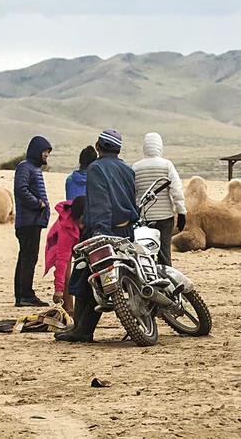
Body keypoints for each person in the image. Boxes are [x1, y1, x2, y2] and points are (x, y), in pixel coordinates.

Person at [56, 129, 139, 343]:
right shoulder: (128, 170)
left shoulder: (96, 168)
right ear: (118, 149)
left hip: (103, 231)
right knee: (91, 279)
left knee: (91, 279)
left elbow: (101, 202)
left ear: (98, 147)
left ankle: (83, 330)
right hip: (126, 232)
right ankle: (81, 327)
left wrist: (101, 233)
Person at [132, 132, 187, 267]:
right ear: (160, 146)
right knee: (164, 252)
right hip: (165, 217)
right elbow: (176, 190)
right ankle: (167, 280)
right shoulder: (167, 165)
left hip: (144, 218)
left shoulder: (136, 167)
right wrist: (181, 212)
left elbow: (132, 193)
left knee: (145, 252)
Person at [13, 135, 52, 307]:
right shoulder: (25, 167)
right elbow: (20, 189)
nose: (46, 155)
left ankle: (22, 295)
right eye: (45, 151)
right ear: (37, 150)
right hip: (29, 221)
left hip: (33, 221)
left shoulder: (32, 168)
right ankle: (26, 295)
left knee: (26, 257)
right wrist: (38, 204)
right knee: (28, 257)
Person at [44, 195, 86, 315]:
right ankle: (69, 309)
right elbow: (62, 260)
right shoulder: (65, 227)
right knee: (67, 273)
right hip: (62, 241)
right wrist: (58, 290)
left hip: (81, 241)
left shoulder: (92, 218)